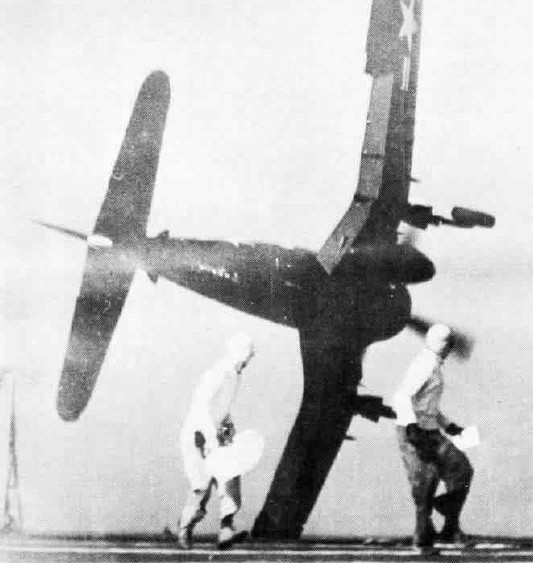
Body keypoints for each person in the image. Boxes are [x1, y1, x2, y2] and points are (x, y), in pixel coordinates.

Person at [392, 324, 473, 553]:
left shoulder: (433, 365)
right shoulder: (425, 365)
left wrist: (449, 426)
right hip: (414, 431)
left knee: (461, 469)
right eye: (449, 344)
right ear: (444, 345)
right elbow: (401, 396)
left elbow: (427, 405)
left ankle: (448, 524)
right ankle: (423, 536)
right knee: (426, 480)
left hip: (429, 429)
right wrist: (410, 426)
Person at [177, 333, 255, 550]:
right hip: (198, 432)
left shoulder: (235, 374)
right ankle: (184, 527)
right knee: (201, 487)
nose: (251, 357)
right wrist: (208, 438)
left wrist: (227, 430)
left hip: (219, 432)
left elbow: (223, 408)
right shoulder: (217, 373)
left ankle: (226, 529)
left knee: (229, 477)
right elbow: (201, 406)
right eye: (249, 353)